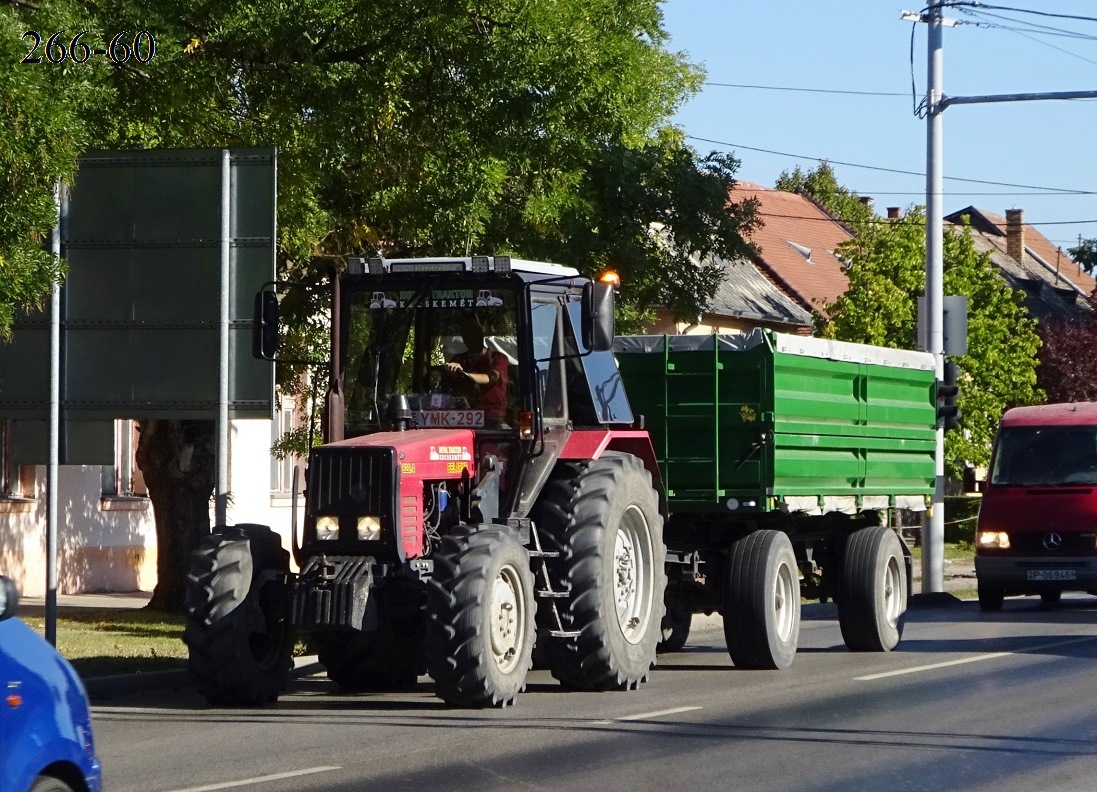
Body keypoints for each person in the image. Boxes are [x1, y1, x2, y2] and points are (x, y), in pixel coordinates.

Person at [445, 312, 510, 425]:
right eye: (467, 333)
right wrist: (451, 373)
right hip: (462, 420)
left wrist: (464, 374)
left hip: (494, 422)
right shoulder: (457, 360)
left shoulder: (498, 358)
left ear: (482, 332)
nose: (471, 336)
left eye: (475, 331)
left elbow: (492, 378)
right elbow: (448, 394)